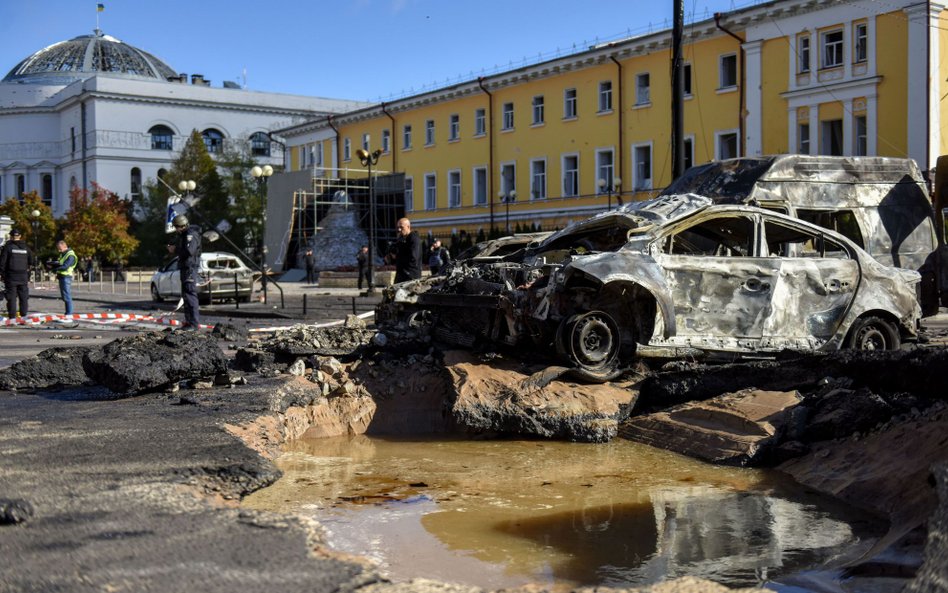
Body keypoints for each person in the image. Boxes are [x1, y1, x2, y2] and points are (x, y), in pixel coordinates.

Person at [173, 214, 202, 330]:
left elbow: (189, 251)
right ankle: (189, 322)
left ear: (181, 226)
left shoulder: (191, 234)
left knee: (190, 295)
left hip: (190, 267)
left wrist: (175, 249)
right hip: (185, 267)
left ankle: (194, 324)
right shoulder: (185, 235)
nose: (176, 230)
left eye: (176, 227)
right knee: (185, 295)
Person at [0, 228, 35, 320]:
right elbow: (32, 261)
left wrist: (2, 275)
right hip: (23, 276)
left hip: (11, 276)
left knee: (11, 298)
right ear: (20, 236)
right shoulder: (26, 248)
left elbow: (2, 263)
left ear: (11, 237)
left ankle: (12, 317)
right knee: (23, 297)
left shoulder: (8, 247)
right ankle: (23, 315)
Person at [386, 218, 421, 283]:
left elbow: (413, 257)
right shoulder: (401, 238)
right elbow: (398, 255)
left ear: (408, 227)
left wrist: (398, 257)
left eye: (401, 227)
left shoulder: (414, 238)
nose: (399, 229)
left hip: (410, 275)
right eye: (398, 227)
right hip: (400, 274)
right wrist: (392, 256)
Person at [51, 240, 77, 315]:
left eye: (60, 248)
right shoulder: (63, 254)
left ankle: (69, 314)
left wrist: (55, 269)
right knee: (65, 296)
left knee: (67, 296)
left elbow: (65, 266)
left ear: (64, 246)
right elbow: (61, 263)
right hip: (62, 276)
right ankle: (68, 313)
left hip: (66, 277)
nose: (59, 250)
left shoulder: (70, 255)